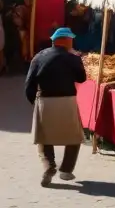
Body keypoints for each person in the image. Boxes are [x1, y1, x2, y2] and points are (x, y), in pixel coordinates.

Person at [25, 27, 86, 186]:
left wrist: (35, 103)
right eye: (71, 39)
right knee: (74, 137)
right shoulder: (72, 58)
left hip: (45, 100)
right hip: (67, 101)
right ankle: (66, 170)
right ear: (66, 41)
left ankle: (49, 167)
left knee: (43, 138)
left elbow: (29, 85)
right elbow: (81, 79)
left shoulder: (38, 57)